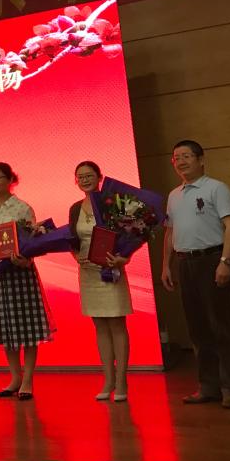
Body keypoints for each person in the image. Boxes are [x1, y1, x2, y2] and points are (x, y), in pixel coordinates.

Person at [161, 140, 230, 409]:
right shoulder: (174, 195)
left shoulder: (216, 188)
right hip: (185, 263)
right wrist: (166, 266)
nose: (181, 162)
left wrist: (225, 261)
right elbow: (170, 232)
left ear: (201, 159)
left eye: (186, 156)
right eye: (176, 158)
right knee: (197, 329)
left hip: (212, 260)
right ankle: (208, 386)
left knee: (222, 327)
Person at [0, 162, 53, 401]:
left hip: (20, 272)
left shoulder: (22, 208)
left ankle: (27, 380)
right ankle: (15, 378)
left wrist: (24, 257)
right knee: (6, 327)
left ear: (11, 179)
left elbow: (32, 241)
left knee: (27, 328)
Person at [69, 162, 133, 402]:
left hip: (110, 270)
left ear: (99, 177)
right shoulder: (75, 208)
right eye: (80, 177)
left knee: (117, 324)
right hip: (88, 273)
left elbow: (129, 235)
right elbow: (72, 240)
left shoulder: (112, 203)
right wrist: (76, 256)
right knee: (100, 326)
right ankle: (108, 380)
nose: (85, 180)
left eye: (89, 175)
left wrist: (122, 258)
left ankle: (122, 381)